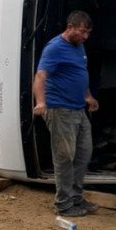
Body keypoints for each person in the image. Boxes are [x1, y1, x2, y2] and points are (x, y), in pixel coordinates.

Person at [32, 11, 99, 217]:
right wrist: (41, 102)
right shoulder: (55, 48)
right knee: (64, 157)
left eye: (87, 33)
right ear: (70, 27)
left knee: (83, 154)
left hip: (78, 109)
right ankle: (64, 204)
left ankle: (77, 198)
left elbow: (80, 73)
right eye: (82, 32)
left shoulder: (79, 47)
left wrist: (88, 96)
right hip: (60, 109)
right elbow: (41, 75)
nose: (85, 36)